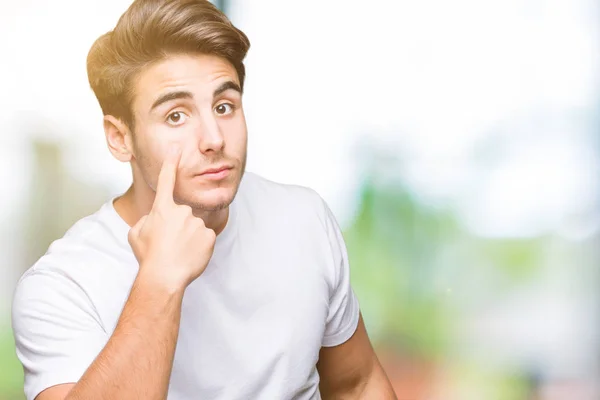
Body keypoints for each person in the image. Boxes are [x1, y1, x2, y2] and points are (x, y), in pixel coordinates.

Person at [11, 0, 397, 399]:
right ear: (120, 137)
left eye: (224, 106)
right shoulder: (61, 287)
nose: (214, 139)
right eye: (176, 116)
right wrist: (159, 281)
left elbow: (358, 383)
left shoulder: (303, 219)